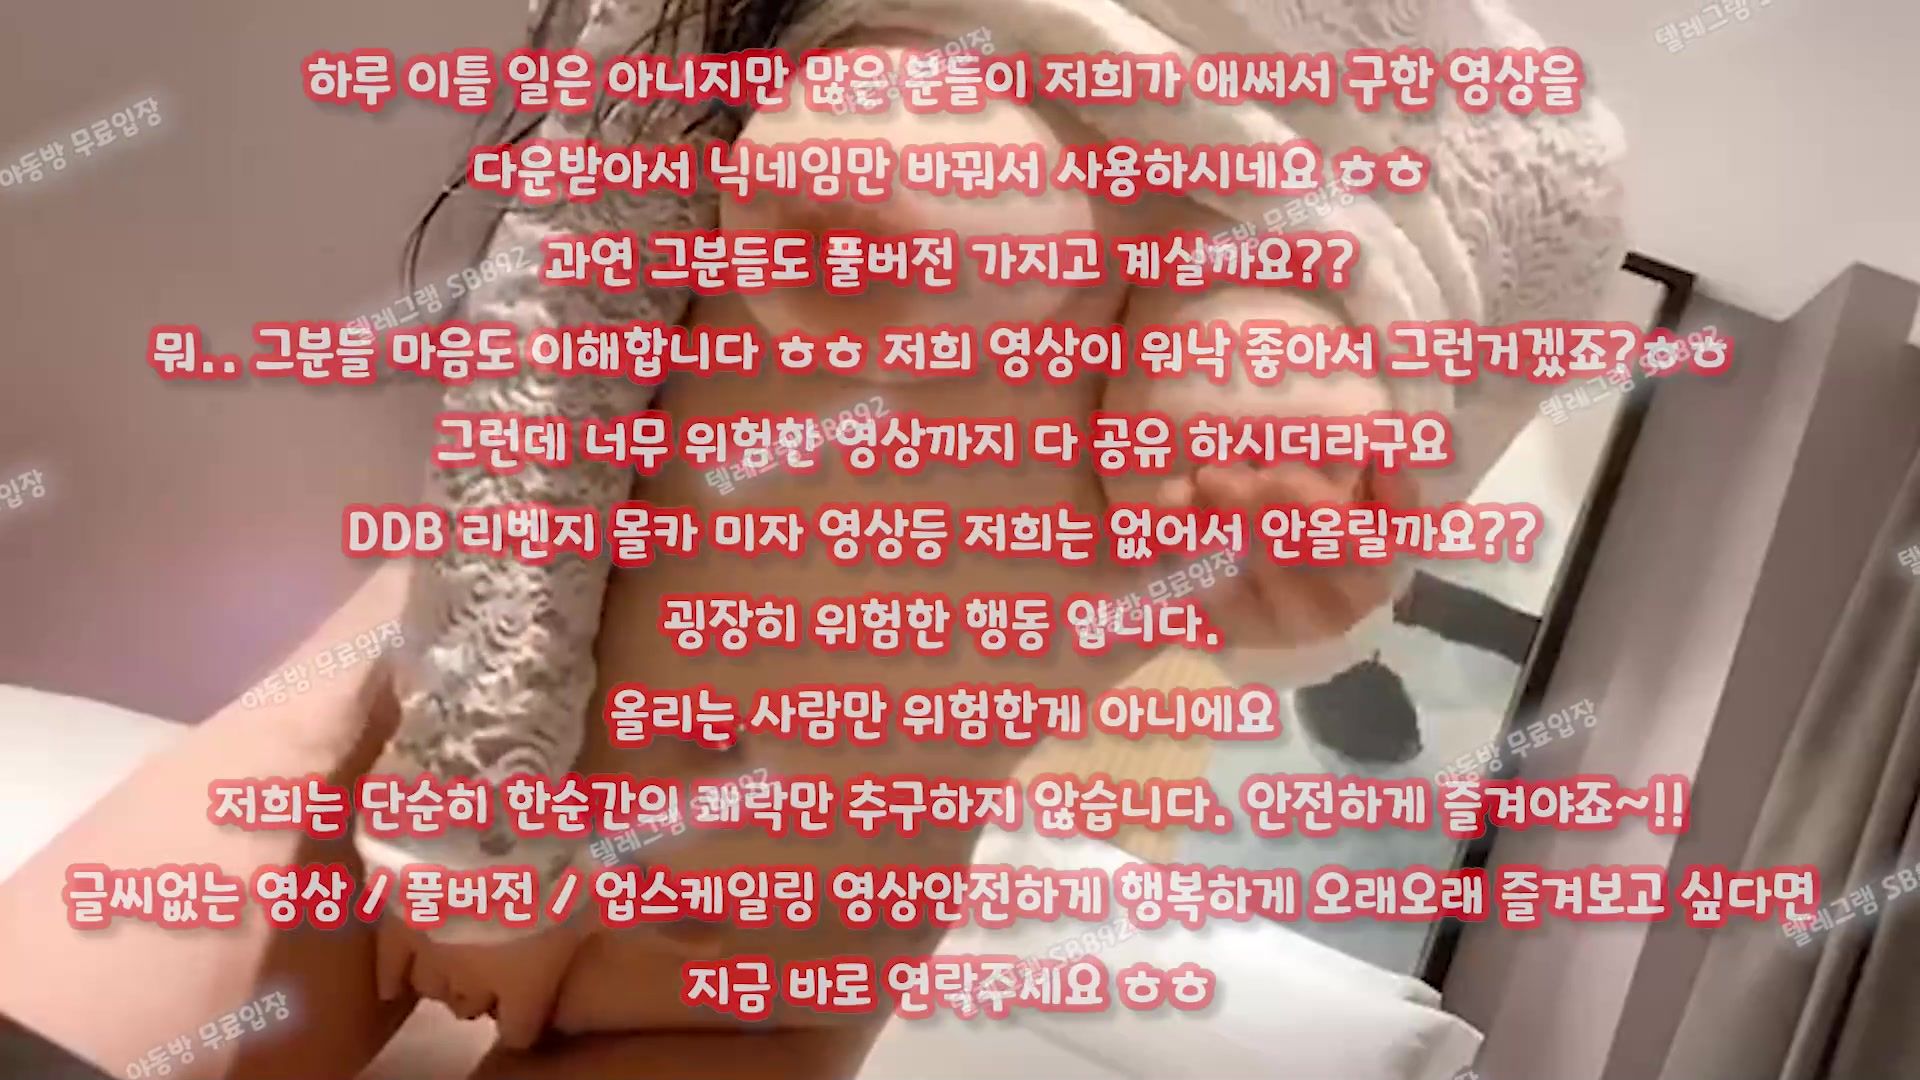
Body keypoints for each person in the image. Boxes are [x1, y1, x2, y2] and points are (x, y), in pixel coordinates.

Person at [2, 0, 1625, 1075]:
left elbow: (1280, 601)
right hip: (416, 731)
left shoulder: (1541, 169)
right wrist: (477, 796)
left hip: (788, 928)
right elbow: (565, 310)